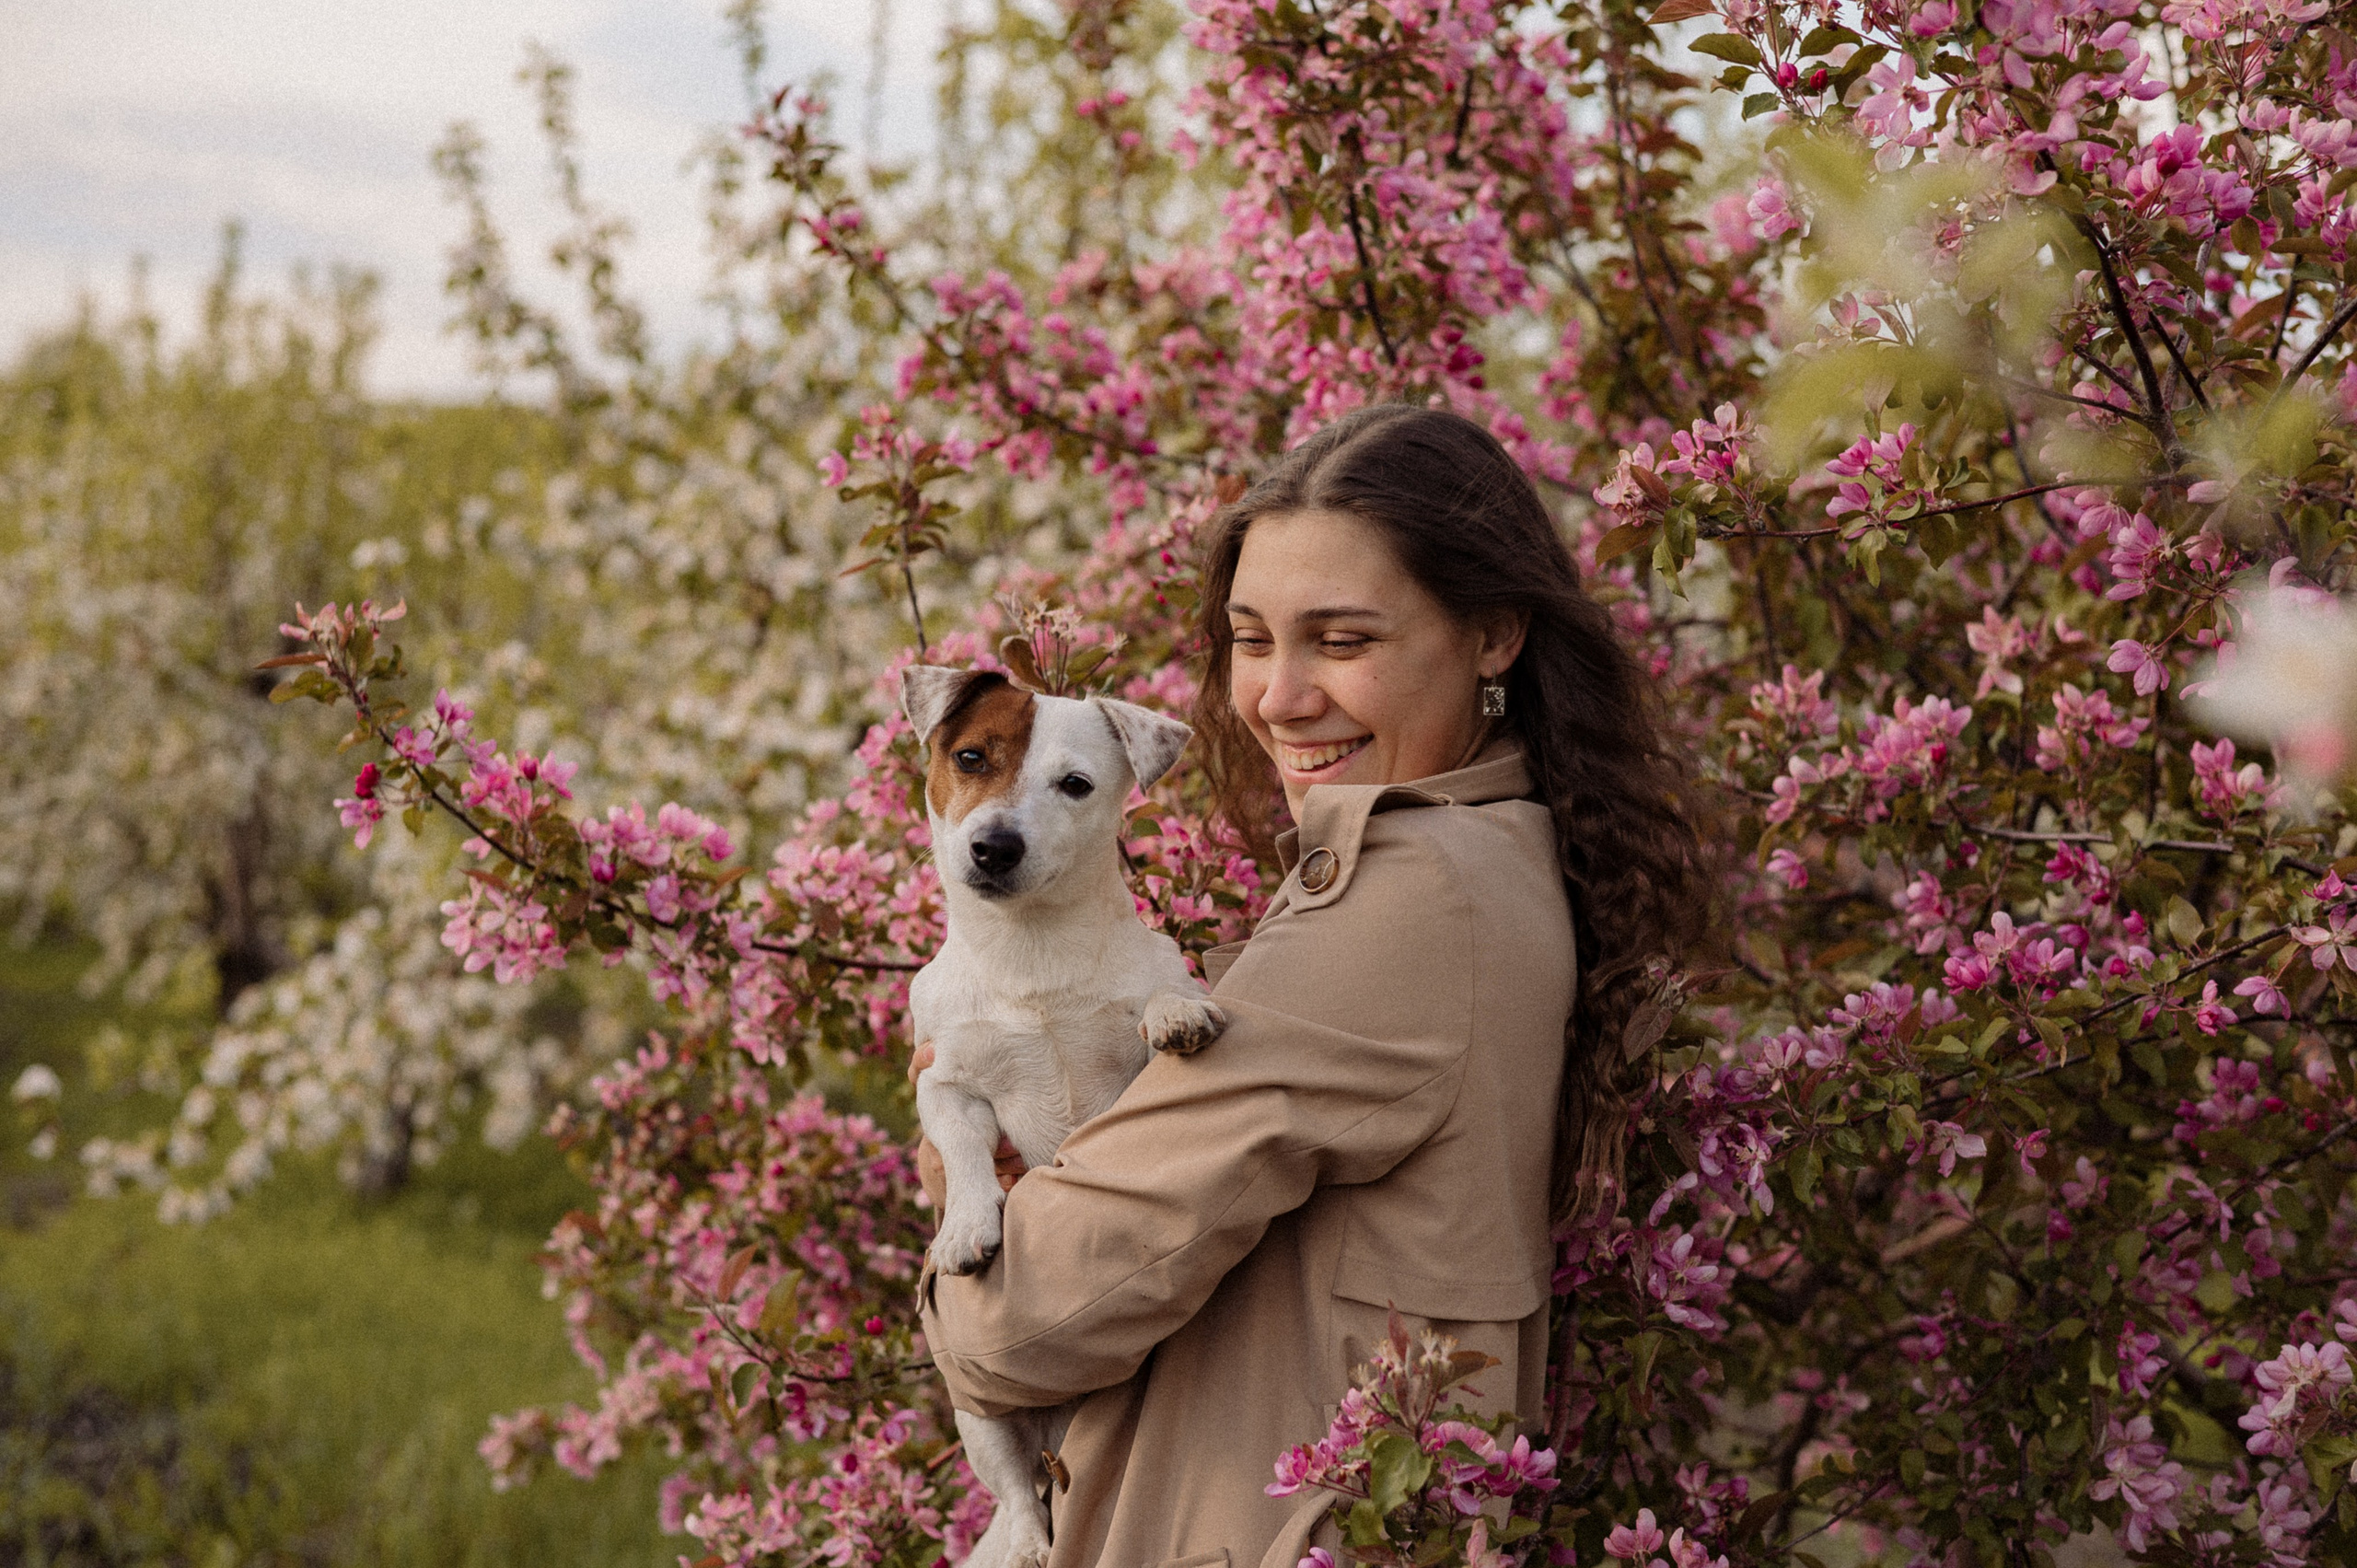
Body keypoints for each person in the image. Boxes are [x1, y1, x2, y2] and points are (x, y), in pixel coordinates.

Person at [913, 404, 1707, 1567]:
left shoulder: (1409, 899)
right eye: (1249, 638)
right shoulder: (1510, 849)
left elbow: (1022, 1324)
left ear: (1493, 635)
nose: (1277, 696)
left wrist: (956, 1214)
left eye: (1340, 641)